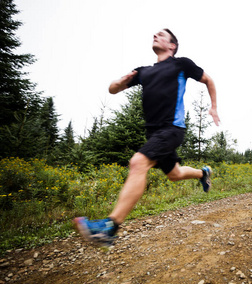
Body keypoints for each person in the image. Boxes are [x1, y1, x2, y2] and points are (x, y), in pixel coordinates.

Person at [74, 29, 220, 248]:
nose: (155, 36)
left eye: (162, 35)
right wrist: (120, 81)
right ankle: (203, 173)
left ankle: (109, 227)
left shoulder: (181, 64)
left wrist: (213, 107)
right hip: (154, 133)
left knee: (138, 162)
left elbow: (208, 79)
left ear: (172, 45)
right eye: (155, 34)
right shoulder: (144, 72)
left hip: (171, 128)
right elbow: (113, 89)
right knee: (175, 174)